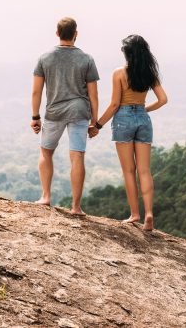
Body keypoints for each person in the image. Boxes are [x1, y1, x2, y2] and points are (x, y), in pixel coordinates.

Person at [93, 34, 168, 231]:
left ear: (127, 53)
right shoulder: (149, 74)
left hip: (123, 120)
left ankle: (135, 214)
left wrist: (98, 125)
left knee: (129, 171)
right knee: (144, 170)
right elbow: (163, 99)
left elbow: (115, 104)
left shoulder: (119, 73)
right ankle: (149, 214)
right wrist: (144, 110)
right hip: (143, 119)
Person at [30, 17, 100, 214]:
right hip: (80, 111)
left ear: (57, 33)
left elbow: (37, 92)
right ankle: (76, 207)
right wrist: (95, 122)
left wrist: (35, 117)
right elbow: (93, 95)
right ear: (76, 34)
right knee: (77, 156)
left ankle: (45, 196)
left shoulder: (45, 58)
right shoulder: (87, 59)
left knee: (46, 152)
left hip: (54, 112)